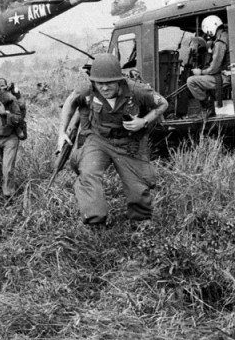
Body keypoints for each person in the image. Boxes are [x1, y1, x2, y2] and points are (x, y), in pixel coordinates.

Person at [57, 53, 169, 228]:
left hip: (129, 143)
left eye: (109, 83)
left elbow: (163, 103)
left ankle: (141, 221)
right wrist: (62, 132)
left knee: (137, 186)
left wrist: (143, 121)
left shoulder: (136, 90)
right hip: (99, 140)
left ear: (119, 80)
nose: (104, 88)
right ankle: (95, 221)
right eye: (100, 83)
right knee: (88, 172)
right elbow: (70, 102)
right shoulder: (88, 89)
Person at [186, 14, 229, 118]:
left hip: (225, 77)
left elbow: (214, 68)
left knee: (191, 81)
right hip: (227, 74)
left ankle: (208, 108)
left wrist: (200, 72)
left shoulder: (220, 42)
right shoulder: (225, 36)